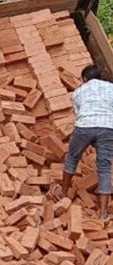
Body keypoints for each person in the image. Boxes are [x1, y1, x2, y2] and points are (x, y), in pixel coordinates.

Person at [51, 65, 113, 222]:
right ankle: (103, 213)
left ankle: (63, 194)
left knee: (72, 157)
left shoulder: (78, 91)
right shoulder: (111, 88)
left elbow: (79, 114)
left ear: (84, 79)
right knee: (104, 167)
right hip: (108, 127)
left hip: (85, 126)